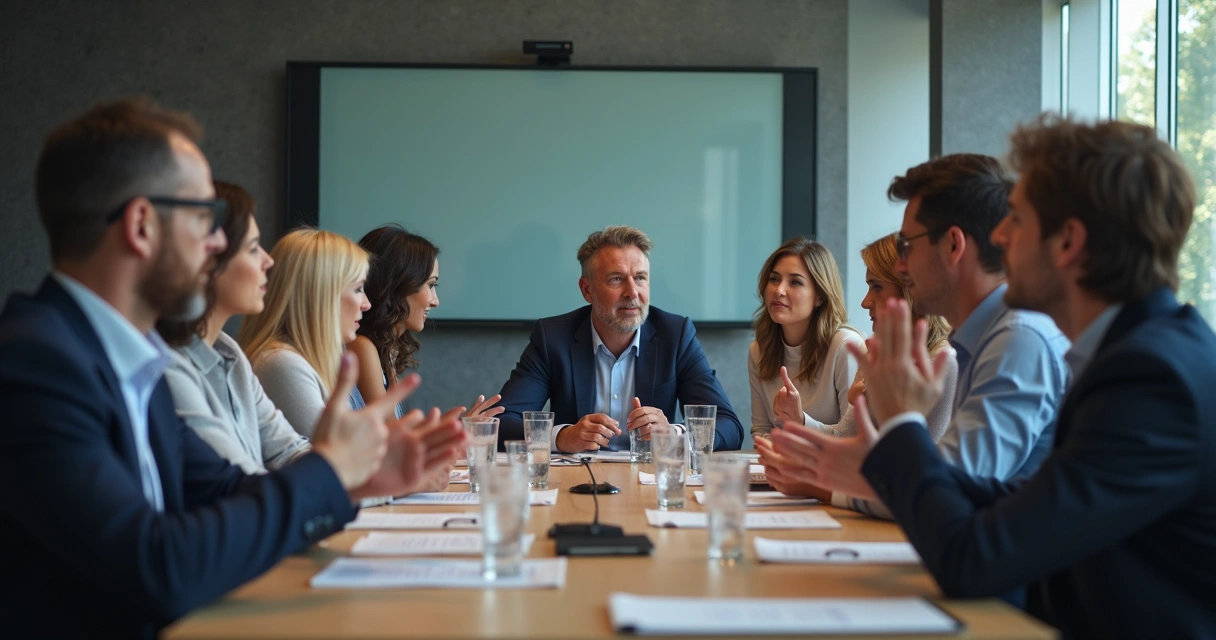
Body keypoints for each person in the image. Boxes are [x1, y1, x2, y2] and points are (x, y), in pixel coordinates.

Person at [0, 98, 465, 637]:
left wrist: (359, 481)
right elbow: (156, 564)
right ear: (142, 225)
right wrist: (335, 471)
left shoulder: (127, 355)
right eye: (207, 217)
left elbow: (227, 488)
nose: (220, 243)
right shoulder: (36, 366)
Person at [791, 116, 1216, 638]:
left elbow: (972, 559)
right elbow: (1020, 498)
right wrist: (879, 466)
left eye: (1017, 219)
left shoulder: (1149, 378)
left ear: (1068, 243)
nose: (998, 235)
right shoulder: (1138, 351)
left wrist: (902, 424)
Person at [767, 153, 1069, 507]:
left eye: (908, 246)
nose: (900, 265)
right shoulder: (985, 339)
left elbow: (945, 492)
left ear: (954, 245)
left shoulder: (1017, 342)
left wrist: (833, 484)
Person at [758, 233, 958, 519]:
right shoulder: (876, 352)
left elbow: (918, 479)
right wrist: (800, 423)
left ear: (911, 290)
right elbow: (844, 436)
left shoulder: (944, 364)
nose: (865, 302)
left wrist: (817, 484)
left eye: (876, 287)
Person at [496, 225, 744, 452]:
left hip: (649, 481)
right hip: (577, 480)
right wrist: (562, 437)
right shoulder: (553, 338)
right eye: (616, 279)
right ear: (587, 290)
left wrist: (673, 434)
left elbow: (729, 426)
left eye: (640, 278)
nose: (632, 292)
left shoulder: (676, 335)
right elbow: (502, 423)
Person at [349, 224, 503, 420]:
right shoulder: (361, 346)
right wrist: (454, 428)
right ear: (398, 285)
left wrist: (460, 426)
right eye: (430, 285)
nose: (435, 301)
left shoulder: (385, 349)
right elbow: (391, 437)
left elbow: (398, 435)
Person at [237, 228, 375, 436]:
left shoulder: (318, 360)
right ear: (320, 295)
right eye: (357, 289)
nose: (367, 304)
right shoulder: (282, 364)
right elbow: (341, 461)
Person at [747, 237, 864, 440]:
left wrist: (800, 421)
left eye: (795, 282)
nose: (779, 290)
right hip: (785, 467)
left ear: (820, 296)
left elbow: (855, 437)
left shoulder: (845, 346)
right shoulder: (759, 350)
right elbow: (761, 431)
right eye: (774, 279)